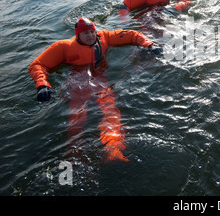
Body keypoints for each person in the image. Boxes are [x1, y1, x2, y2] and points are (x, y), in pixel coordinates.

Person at [28, 17, 162, 162]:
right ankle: (75, 154)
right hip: (77, 83)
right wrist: (42, 85)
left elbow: (131, 35)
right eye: (86, 33)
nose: (91, 35)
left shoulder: (104, 37)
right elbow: (37, 65)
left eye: (92, 31)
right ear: (77, 34)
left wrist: (149, 44)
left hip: (100, 80)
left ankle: (113, 147)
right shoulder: (63, 47)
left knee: (111, 110)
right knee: (76, 119)